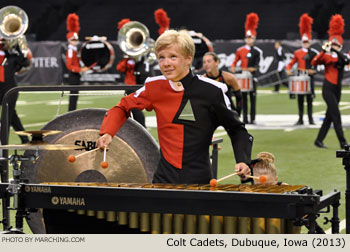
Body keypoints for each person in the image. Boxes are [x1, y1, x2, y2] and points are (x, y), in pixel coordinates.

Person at [97, 29, 253, 184]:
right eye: (161, 58)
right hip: (163, 179)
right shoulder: (154, 86)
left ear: (188, 59)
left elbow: (236, 129)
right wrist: (108, 132)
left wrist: (243, 160)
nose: (166, 63)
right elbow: (122, 107)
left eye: (173, 57)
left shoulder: (212, 91)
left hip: (199, 180)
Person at [311, 14, 350, 149]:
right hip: (328, 88)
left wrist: (335, 50)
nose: (334, 46)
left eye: (336, 44)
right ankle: (343, 142)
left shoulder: (342, 56)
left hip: (337, 89)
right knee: (336, 115)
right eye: (332, 44)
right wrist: (323, 51)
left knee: (329, 116)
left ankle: (319, 140)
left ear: (340, 45)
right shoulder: (327, 57)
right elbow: (314, 62)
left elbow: (345, 61)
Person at [230, 13, 262, 124]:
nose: (249, 39)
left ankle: (253, 118)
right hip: (243, 77)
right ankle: (245, 119)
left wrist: (251, 69)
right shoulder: (240, 50)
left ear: (254, 38)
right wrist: (233, 67)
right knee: (243, 99)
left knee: (253, 98)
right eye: (247, 37)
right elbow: (235, 61)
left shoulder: (257, 51)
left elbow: (257, 66)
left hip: (252, 77)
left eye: (251, 38)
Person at [286, 14, 318, 125]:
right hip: (300, 77)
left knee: (310, 100)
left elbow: (317, 65)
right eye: (304, 42)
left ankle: (310, 119)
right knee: (300, 99)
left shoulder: (314, 53)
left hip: (309, 77)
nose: (305, 44)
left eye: (307, 42)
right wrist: (288, 69)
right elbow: (291, 63)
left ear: (309, 42)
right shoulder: (297, 52)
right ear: (301, 42)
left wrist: (314, 71)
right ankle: (300, 119)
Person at [0, 39, 30, 144]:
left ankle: (3, 144)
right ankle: (25, 139)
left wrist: (17, 48)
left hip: (10, 90)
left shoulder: (12, 57)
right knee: (12, 116)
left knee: (6, 116)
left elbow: (26, 62)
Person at [203, 52, 242, 116]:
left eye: (209, 61)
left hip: (228, 113)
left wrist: (238, 114)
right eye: (204, 62)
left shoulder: (229, 77)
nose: (206, 64)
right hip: (211, 115)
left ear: (217, 62)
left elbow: (239, 97)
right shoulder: (203, 80)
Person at [65, 13, 89, 112]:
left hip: (76, 75)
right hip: (73, 76)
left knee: (75, 96)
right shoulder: (70, 50)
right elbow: (69, 66)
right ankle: (71, 112)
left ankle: (72, 112)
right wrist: (80, 69)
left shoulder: (74, 50)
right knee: (73, 97)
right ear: (69, 40)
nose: (75, 41)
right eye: (73, 39)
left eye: (76, 39)